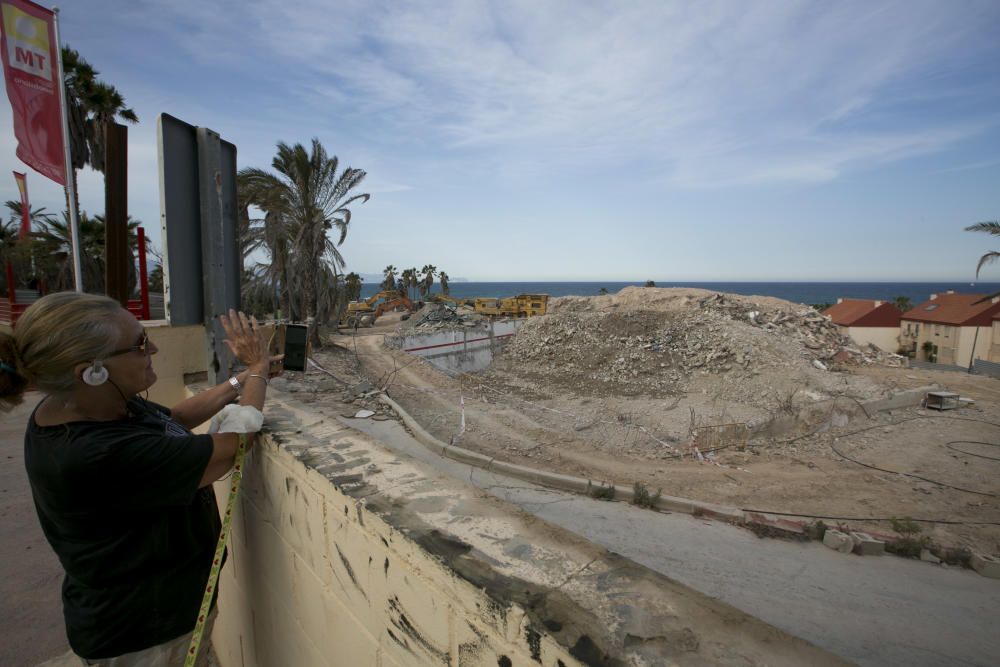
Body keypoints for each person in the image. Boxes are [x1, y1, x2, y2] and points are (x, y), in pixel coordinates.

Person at [0, 292, 280, 666]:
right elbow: (233, 446)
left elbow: (174, 420)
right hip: (144, 636)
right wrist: (258, 368)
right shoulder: (94, 454)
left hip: (146, 616)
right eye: (140, 345)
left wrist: (240, 380)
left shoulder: (88, 405)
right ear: (90, 370)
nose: (155, 350)